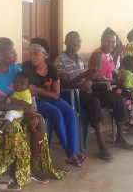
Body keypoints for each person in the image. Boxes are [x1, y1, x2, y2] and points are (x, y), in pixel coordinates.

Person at [0, 37, 67, 191]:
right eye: (12, 52)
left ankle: (32, 168)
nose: (16, 55)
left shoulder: (16, 69)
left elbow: (25, 92)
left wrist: (30, 115)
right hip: (0, 115)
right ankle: (14, 175)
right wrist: (21, 109)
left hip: (20, 112)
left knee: (39, 121)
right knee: (14, 129)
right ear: (0, 54)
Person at [54, 31, 133, 161]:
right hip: (73, 94)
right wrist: (84, 77)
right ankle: (101, 145)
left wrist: (88, 81)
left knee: (116, 98)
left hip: (87, 89)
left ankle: (120, 137)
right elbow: (65, 83)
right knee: (94, 102)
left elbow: (89, 78)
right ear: (65, 42)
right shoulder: (59, 61)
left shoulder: (81, 60)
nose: (76, 44)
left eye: (78, 41)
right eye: (72, 41)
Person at [22, 38, 86, 167]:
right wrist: (43, 91)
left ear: (45, 55)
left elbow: (56, 95)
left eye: (36, 54)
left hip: (50, 99)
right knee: (57, 113)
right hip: (37, 103)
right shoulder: (27, 67)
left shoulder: (51, 69)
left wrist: (37, 88)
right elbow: (28, 91)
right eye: (30, 54)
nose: (32, 57)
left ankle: (72, 153)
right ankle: (71, 154)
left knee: (70, 112)